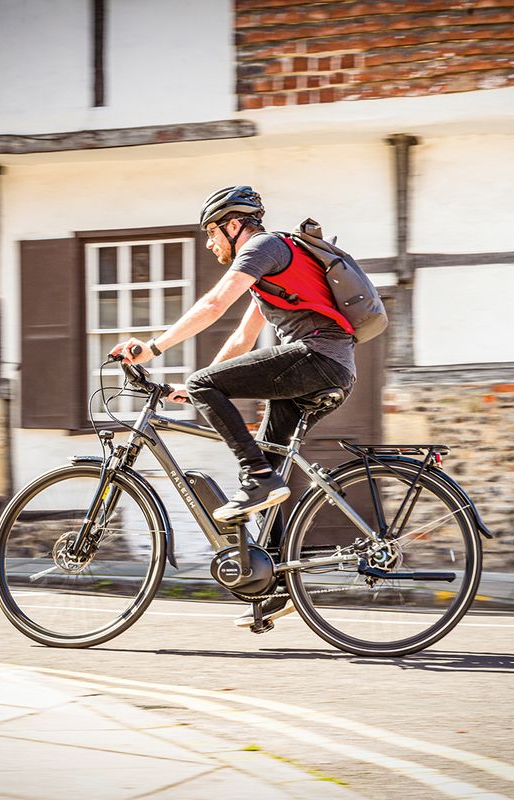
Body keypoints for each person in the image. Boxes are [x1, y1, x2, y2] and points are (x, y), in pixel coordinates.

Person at [111, 186, 357, 628]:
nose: (209, 244)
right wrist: (198, 387)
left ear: (233, 225)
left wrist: (152, 347)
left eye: (211, 232)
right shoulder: (274, 275)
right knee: (271, 460)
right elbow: (242, 340)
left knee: (259, 473)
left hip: (317, 358)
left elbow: (213, 303)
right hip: (328, 367)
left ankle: (257, 478)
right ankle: (278, 585)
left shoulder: (264, 247)